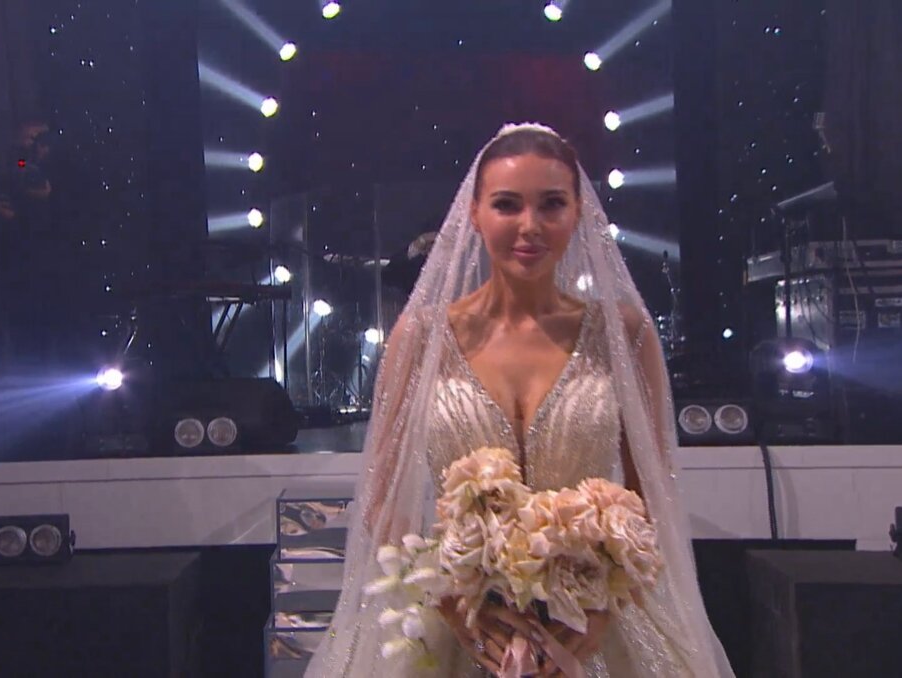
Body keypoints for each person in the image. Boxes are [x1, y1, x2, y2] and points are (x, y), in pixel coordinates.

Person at [303, 123, 734, 677]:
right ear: (474, 214)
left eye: (551, 204)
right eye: (507, 204)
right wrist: (452, 603)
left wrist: (604, 605)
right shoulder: (421, 337)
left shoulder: (623, 335)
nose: (529, 226)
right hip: (462, 623)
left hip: (591, 629)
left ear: (578, 213)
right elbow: (383, 495)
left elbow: (650, 492)